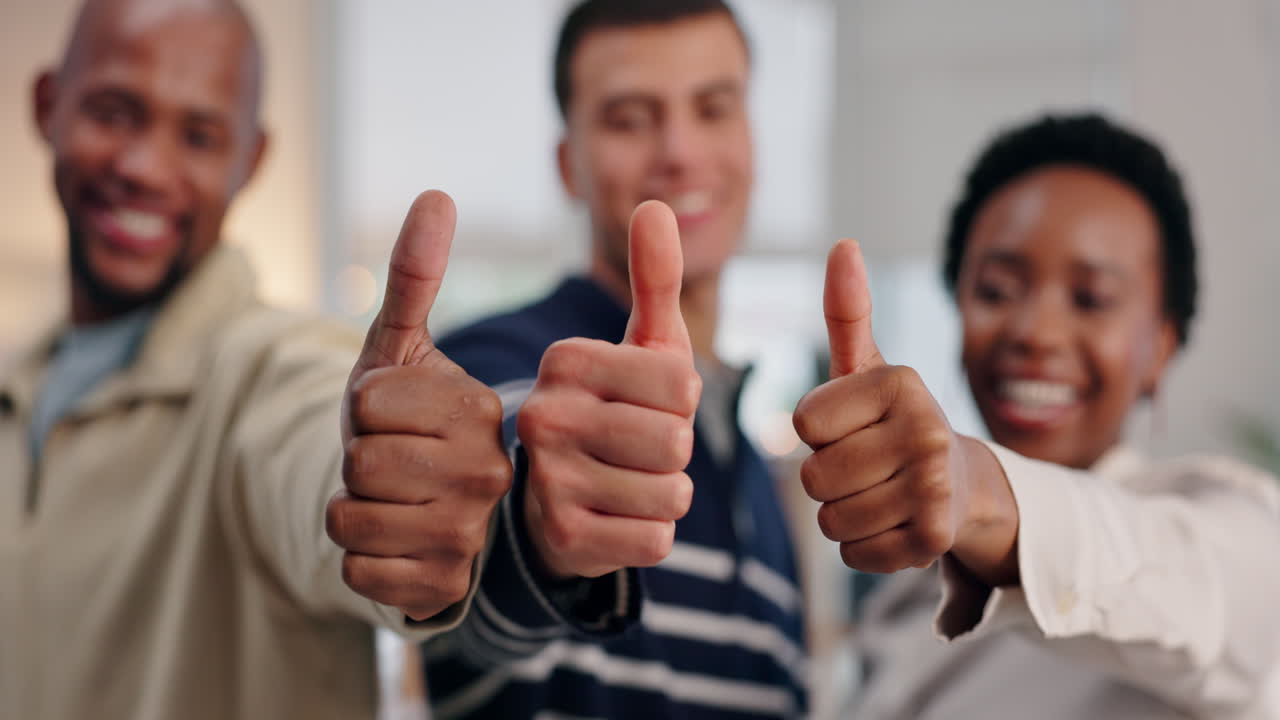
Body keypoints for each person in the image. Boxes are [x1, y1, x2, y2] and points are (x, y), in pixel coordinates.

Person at [0, 2, 509, 718]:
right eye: (114, 112)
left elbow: (314, 454)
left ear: (251, 159)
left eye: (200, 136)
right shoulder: (15, 385)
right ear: (48, 106)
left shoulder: (271, 370)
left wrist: (390, 481)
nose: (145, 166)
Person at [792, 113, 1280, 718]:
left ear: (1161, 346)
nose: (1034, 332)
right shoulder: (906, 594)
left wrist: (979, 490)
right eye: (995, 290)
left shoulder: (1240, 536)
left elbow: (1196, 590)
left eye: (1091, 299)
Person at [420, 1, 806, 718]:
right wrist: (538, 537)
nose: (681, 151)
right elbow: (467, 583)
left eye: (715, 108)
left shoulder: (756, 470)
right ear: (569, 165)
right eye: (630, 118)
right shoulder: (489, 374)